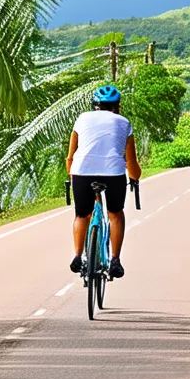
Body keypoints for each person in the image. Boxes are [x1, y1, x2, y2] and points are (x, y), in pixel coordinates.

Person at [66, 85, 141, 279]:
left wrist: (72, 176)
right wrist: (135, 177)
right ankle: (115, 260)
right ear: (117, 107)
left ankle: (77, 256)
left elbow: (70, 156)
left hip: (82, 172)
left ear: (94, 106)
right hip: (113, 173)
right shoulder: (124, 123)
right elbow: (131, 162)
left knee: (82, 215)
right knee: (115, 214)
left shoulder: (82, 118)